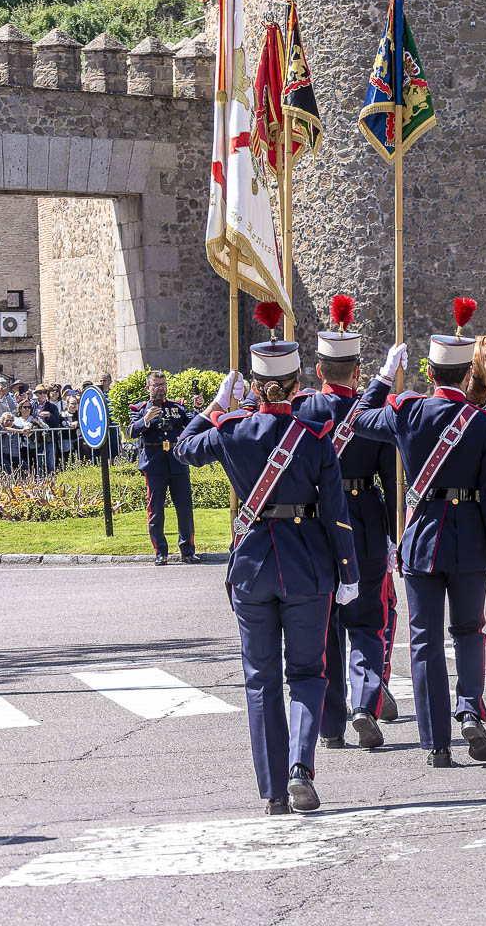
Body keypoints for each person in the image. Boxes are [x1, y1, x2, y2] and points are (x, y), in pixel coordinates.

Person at [178, 340, 359, 814]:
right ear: (298, 384)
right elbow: (337, 511)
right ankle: (301, 766)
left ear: (252, 387)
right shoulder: (314, 433)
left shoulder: (231, 430)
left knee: (260, 681)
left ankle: (274, 792)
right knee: (307, 672)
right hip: (307, 566)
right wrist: (349, 570)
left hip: (253, 565)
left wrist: (217, 405)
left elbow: (184, 448)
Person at [350, 303, 486, 767]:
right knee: (469, 631)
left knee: (425, 640)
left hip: (423, 537)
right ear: (467, 376)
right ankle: (468, 710)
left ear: (430, 371)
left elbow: (359, 419)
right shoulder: (484, 424)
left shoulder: (406, 412)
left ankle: (436, 744)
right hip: (470, 541)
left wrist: (383, 379)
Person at [293, 296, 402, 750]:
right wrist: (396, 535)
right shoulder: (372, 413)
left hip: (316, 525)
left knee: (327, 626)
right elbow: (392, 481)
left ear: (319, 370)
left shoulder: (303, 410)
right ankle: (364, 705)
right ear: (357, 371)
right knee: (367, 623)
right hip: (363, 521)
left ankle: (331, 723)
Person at [128, 370, 197, 565]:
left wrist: (197, 408)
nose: (161, 388)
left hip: (177, 462)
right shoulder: (139, 408)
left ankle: (188, 550)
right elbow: (131, 431)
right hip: (154, 463)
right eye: (156, 385)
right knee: (156, 509)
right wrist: (146, 419)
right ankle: (160, 551)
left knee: (184, 508)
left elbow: (194, 425)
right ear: (148, 387)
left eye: (163, 384)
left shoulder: (177, 407)